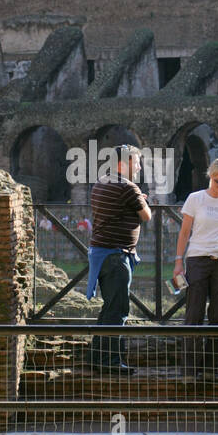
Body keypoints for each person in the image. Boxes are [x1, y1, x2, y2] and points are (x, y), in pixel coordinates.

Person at [85, 145, 151, 372]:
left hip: (102, 254)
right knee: (118, 310)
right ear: (124, 163)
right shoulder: (127, 187)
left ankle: (96, 358)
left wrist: (135, 198)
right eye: (137, 162)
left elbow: (118, 207)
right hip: (116, 255)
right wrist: (140, 199)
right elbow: (146, 215)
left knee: (109, 309)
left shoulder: (101, 182)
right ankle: (111, 363)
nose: (140, 167)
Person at [173, 156, 218, 336]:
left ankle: (214, 363)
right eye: (217, 181)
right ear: (210, 176)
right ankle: (191, 364)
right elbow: (184, 232)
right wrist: (178, 261)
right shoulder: (195, 198)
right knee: (194, 314)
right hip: (198, 259)